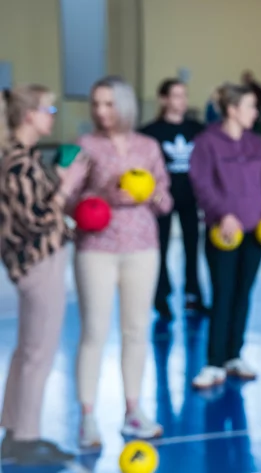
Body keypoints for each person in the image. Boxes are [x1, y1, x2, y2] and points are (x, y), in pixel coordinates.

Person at [64, 76, 172, 447]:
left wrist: (148, 194)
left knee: (136, 330)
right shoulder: (84, 146)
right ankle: (87, 417)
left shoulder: (148, 146)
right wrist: (100, 197)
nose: (101, 111)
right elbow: (67, 200)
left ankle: (133, 411)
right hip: (96, 247)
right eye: (96, 103)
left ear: (125, 106)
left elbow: (166, 202)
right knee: (94, 331)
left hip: (142, 246)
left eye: (108, 104)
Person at [0, 87, 80, 465]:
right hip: (38, 263)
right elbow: (35, 219)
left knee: (27, 350)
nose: (52, 116)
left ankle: (15, 429)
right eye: (48, 109)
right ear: (29, 115)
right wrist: (66, 187)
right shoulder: (17, 162)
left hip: (38, 262)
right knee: (39, 353)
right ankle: (26, 440)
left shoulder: (24, 158)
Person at [188, 84, 261, 389]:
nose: (255, 113)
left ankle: (234, 356)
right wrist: (222, 213)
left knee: (244, 293)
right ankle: (214, 363)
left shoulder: (255, 143)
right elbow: (201, 184)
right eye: (250, 106)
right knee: (223, 294)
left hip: (256, 232)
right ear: (232, 110)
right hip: (224, 234)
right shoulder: (206, 143)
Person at [141, 79, 207, 320]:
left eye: (184, 95)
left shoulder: (197, 130)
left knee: (193, 248)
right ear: (164, 99)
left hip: (191, 197)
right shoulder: (150, 133)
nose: (182, 101)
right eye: (176, 95)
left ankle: (193, 294)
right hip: (162, 199)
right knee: (161, 247)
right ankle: (161, 297)